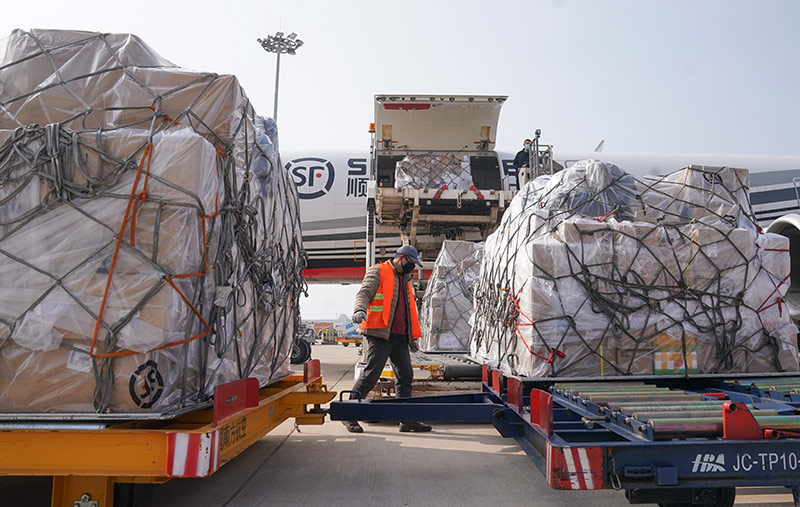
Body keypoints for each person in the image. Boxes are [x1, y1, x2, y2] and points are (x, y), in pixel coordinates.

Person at [344, 245, 432, 434]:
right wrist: (359, 309)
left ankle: (406, 419)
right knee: (371, 375)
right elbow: (364, 292)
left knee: (405, 376)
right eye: (411, 263)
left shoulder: (405, 280)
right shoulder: (379, 271)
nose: (412, 267)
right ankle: (348, 414)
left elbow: (406, 311)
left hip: (400, 338)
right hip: (379, 334)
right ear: (402, 259)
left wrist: (412, 337)